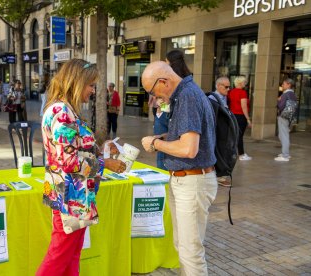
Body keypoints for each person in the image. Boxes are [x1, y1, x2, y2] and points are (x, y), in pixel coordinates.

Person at [36, 59, 126, 276]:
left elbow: (76, 149)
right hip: (70, 196)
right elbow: (67, 162)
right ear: (76, 82)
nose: (93, 91)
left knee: (71, 253)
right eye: (90, 85)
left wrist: (101, 148)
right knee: (59, 256)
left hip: (73, 194)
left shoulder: (66, 109)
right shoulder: (62, 111)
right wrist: (106, 164)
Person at [141, 61, 217, 275]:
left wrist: (155, 144)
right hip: (186, 180)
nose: (154, 98)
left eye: (152, 92)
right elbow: (189, 137)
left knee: (190, 251)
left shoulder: (186, 97)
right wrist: (164, 137)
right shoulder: (185, 94)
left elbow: (188, 148)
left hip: (192, 181)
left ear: (163, 81)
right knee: (183, 247)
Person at [228, 76, 252, 160]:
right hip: (240, 116)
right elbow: (244, 106)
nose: (245, 84)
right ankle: (241, 154)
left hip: (232, 116)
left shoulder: (230, 92)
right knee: (239, 136)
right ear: (241, 83)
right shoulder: (242, 93)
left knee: (233, 135)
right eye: (245, 82)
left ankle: (232, 153)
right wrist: (248, 119)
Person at [275, 78, 297, 161]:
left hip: (283, 116)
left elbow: (280, 106)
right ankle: (285, 152)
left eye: (284, 84)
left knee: (283, 136)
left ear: (289, 85)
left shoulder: (285, 95)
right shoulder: (293, 94)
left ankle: (285, 155)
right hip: (289, 117)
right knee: (283, 135)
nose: (282, 85)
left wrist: (278, 101)